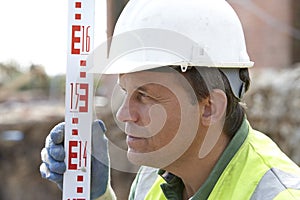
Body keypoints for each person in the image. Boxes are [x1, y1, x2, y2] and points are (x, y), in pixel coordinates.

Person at [40, 0, 300, 199]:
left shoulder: (277, 194)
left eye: (145, 96)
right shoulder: (153, 176)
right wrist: (97, 195)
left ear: (209, 108)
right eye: (125, 92)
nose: (123, 114)